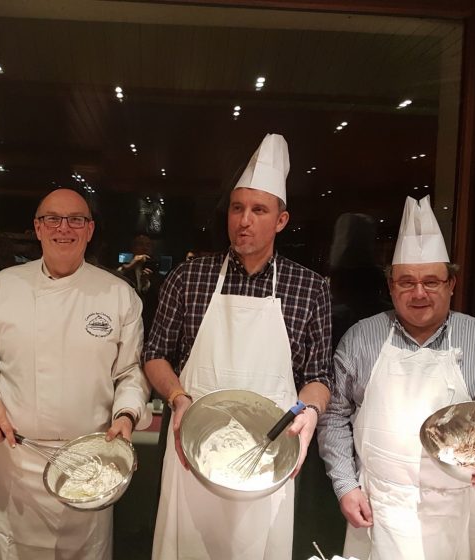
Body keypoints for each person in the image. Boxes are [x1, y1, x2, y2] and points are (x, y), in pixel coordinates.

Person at [317, 195, 475, 559]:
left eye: (431, 281)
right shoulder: (362, 338)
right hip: (380, 509)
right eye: (406, 282)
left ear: (451, 283)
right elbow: (333, 415)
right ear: (390, 286)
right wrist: (346, 485)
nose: (418, 292)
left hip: (461, 512)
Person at [144, 133, 333, 560]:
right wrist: (177, 398)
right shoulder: (189, 277)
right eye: (236, 207)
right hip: (192, 449)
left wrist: (309, 415)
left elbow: (319, 376)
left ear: (281, 220)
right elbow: (154, 354)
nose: (244, 220)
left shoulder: (309, 287)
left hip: (269, 459)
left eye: (258, 210)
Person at [0, 187, 152, 559]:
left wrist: (127, 413)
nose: (64, 228)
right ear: (38, 229)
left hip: (91, 460)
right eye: (52, 219)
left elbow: (130, 374)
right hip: (15, 461)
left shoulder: (118, 294)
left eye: (76, 219)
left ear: (89, 230)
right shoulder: (4, 287)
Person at [117, 234, 163, 336]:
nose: (144, 248)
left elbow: (159, 299)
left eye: (148, 245)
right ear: (132, 248)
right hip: (124, 320)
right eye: (140, 244)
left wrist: (146, 284)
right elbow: (112, 280)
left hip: (148, 325)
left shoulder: (157, 273)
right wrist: (130, 266)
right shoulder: (126, 268)